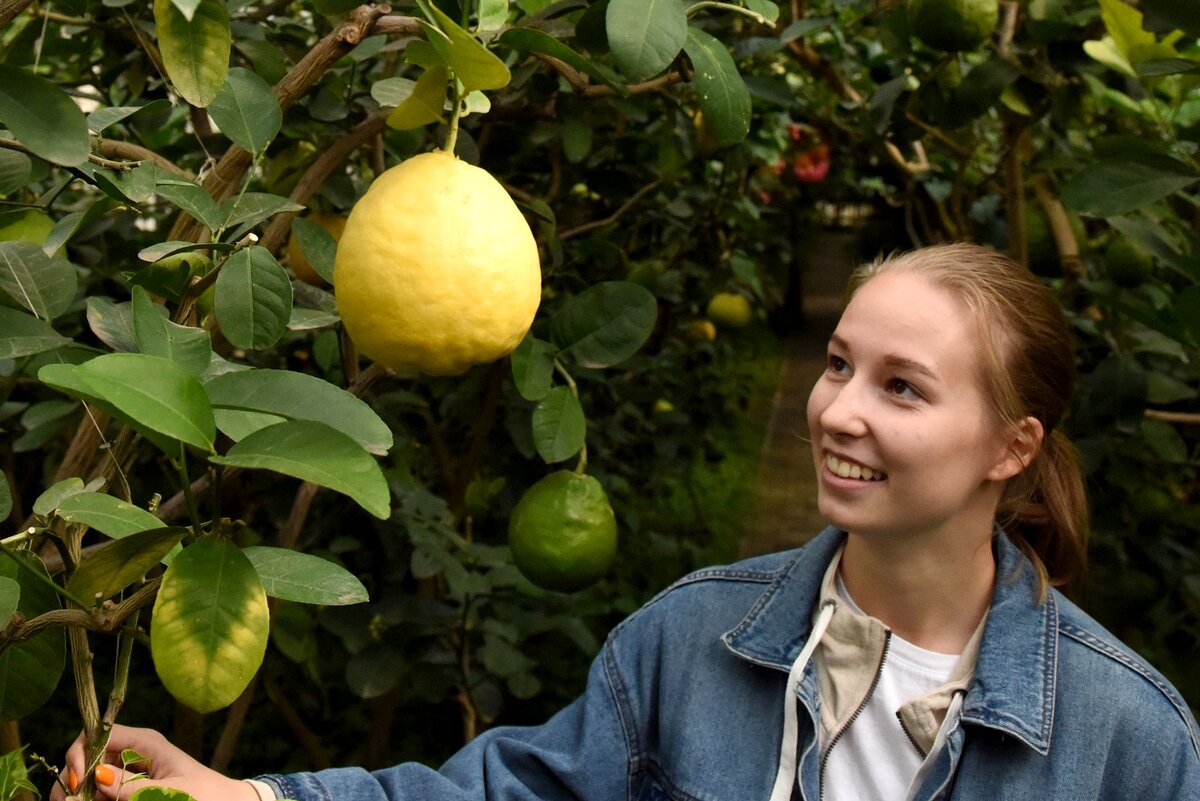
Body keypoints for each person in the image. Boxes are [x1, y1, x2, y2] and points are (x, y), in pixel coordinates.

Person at [53, 243, 1200, 801]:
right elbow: (505, 798)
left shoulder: (1127, 739)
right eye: (839, 363)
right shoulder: (692, 643)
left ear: (1015, 448)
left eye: (903, 387)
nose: (837, 411)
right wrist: (240, 795)